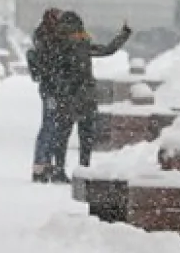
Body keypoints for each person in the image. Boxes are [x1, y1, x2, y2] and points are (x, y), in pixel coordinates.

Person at [50, 11, 132, 173]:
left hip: (65, 97)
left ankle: (59, 170)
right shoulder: (82, 44)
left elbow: (53, 71)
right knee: (86, 135)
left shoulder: (57, 45)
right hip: (84, 96)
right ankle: (83, 168)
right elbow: (108, 50)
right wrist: (124, 34)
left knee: (62, 135)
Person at [25, 8, 67, 183]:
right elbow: (52, 64)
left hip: (53, 88)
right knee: (50, 126)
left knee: (54, 126)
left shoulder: (45, 37)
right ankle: (40, 165)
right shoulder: (47, 39)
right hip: (51, 89)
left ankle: (45, 164)